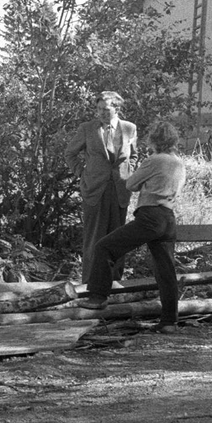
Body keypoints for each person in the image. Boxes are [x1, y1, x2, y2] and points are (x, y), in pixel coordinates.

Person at [80, 120, 187, 331]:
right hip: (168, 217)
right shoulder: (178, 162)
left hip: (150, 215)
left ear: (154, 140)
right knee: (166, 271)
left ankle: (98, 297)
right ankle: (169, 321)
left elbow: (130, 184)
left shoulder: (154, 160)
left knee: (105, 247)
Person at [65, 91, 137, 284]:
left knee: (118, 237)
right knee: (94, 237)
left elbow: (134, 156)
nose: (101, 113)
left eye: (106, 109)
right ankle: (90, 282)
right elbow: (70, 154)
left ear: (117, 109)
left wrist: (128, 175)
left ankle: (114, 281)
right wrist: (83, 173)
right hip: (94, 189)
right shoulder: (87, 129)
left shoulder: (129, 128)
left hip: (120, 190)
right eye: (98, 110)